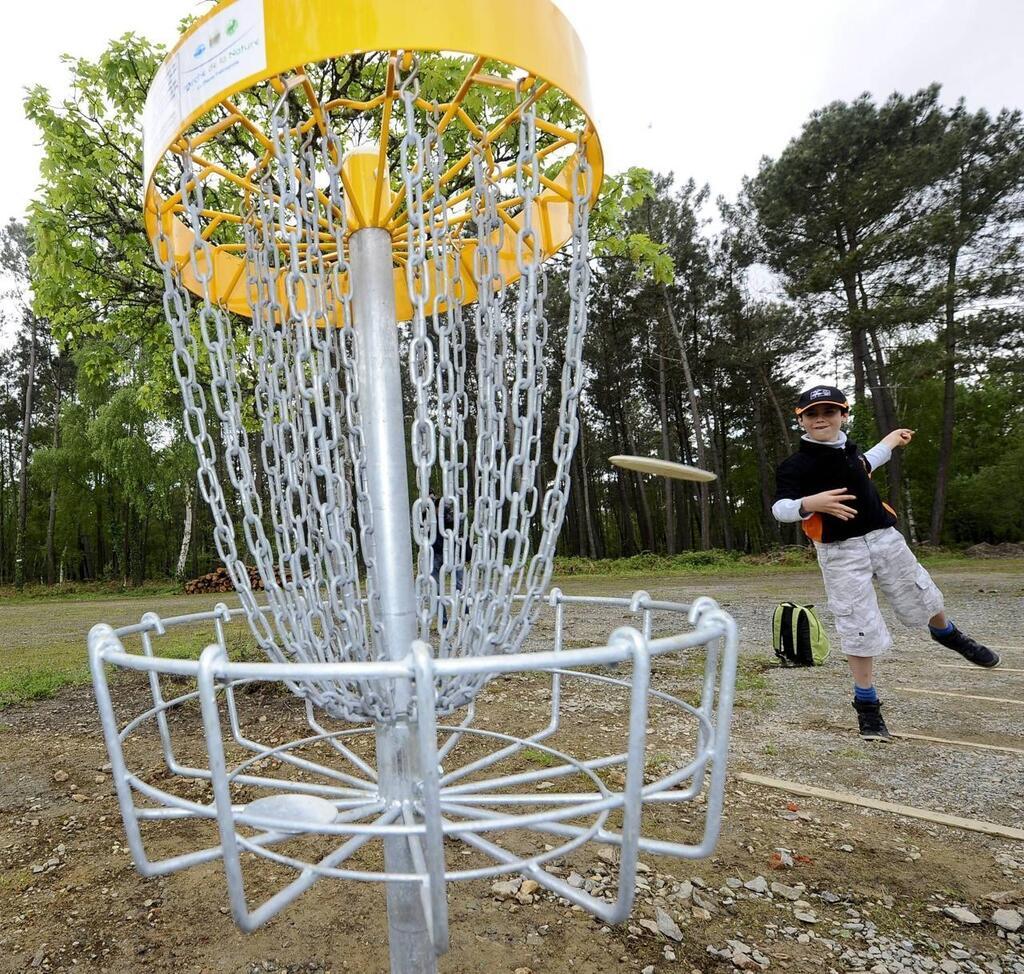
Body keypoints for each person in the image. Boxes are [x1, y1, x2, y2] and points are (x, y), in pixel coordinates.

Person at [772, 385, 999, 742]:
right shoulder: (795, 465)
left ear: (843, 415)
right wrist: (811, 502)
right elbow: (780, 508)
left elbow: (873, 458)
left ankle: (947, 634)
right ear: (800, 419)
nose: (821, 419)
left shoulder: (852, 455)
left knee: (922, 592)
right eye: (812, 414)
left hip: (883, 538)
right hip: (840, 552)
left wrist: (892, 439)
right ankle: (867, 705)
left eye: (829, 412)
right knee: (857, 622)